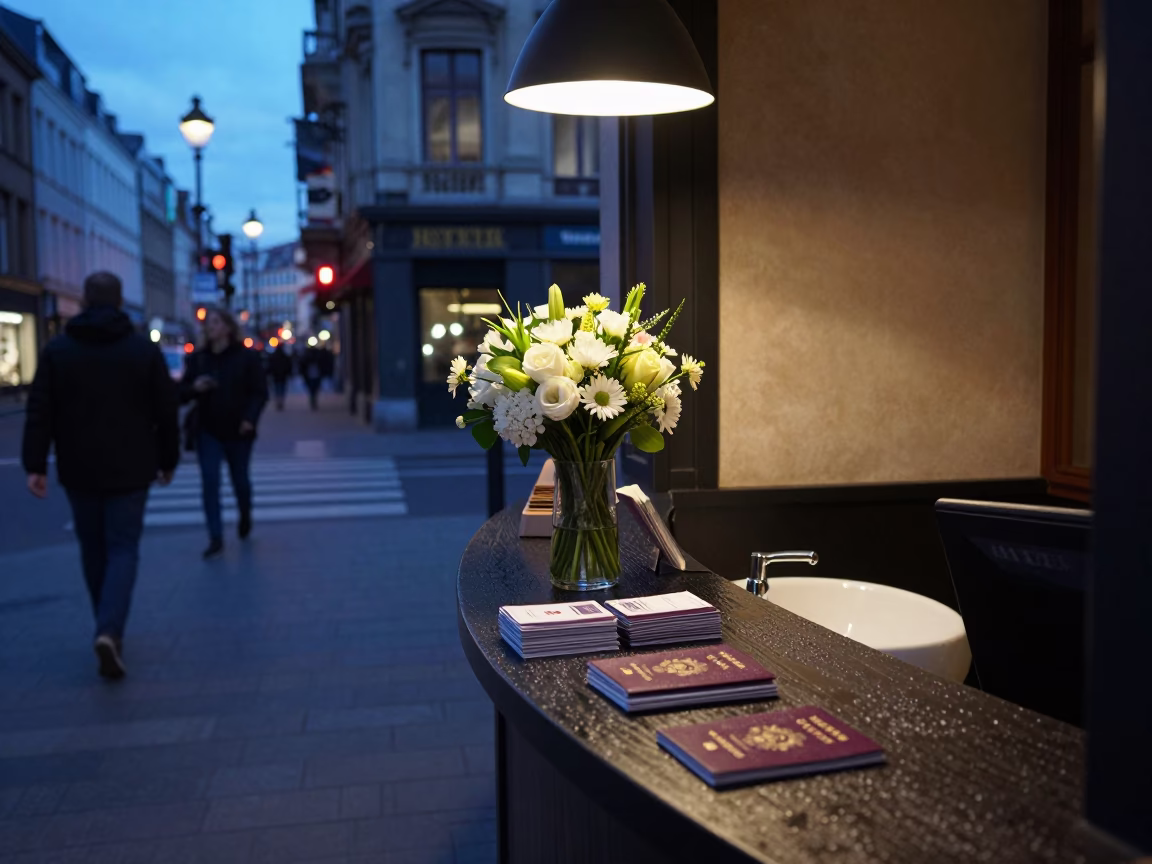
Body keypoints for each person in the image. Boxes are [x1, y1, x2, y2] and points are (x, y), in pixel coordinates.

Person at [21, 272, 179, 680]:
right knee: (123, 547)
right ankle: (110, 628)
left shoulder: (59, 350)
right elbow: (165, 411)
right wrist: (168, 459)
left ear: (85, 301)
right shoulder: (141, 351)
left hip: (78, 465)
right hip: (131, 465)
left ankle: (105, 626)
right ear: (121, 300)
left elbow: (40, 411)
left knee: (93, 550)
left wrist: (35, 464)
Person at [181, 306, 268, 559]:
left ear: (229, 327)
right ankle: (215, 536)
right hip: (208, 429)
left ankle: (245, 514)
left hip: (239, 429)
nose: (211, 327)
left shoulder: (246, 357)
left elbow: (260, 392)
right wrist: (195, 387)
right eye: (209, 324)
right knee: (210, 481)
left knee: (240, 480)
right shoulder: (199, 359)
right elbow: (182, 392)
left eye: (216, 323)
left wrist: (250, 419)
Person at [268, 344, 293, 410]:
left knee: (277, 389)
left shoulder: (273, 356)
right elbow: (288, 366)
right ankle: (280, 401)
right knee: (281, 389)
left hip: (276, 376)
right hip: (282, 376)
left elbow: (270, 366)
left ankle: (278, 401)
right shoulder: (284, 356)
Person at [301, 342, 324, 411]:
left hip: (313, 374)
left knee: (313, 389)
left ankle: (313, 400)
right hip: (312, 374)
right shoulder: (316, 356)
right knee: (313, 389)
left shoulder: (308, 355)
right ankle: (313, 400)